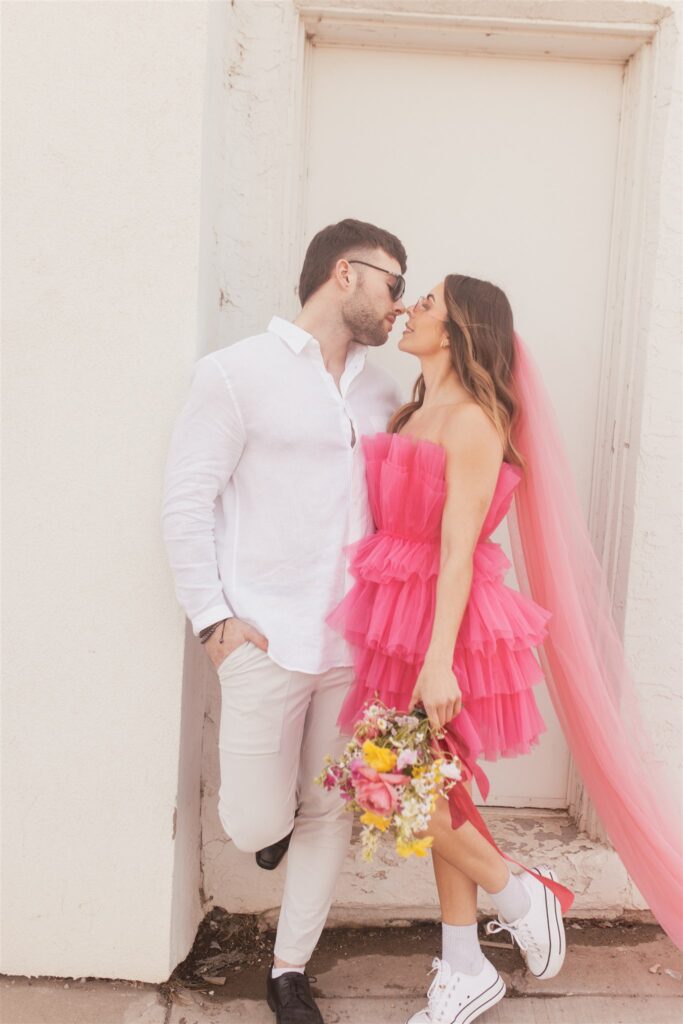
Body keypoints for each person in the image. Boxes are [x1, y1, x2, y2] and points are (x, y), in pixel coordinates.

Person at [327, 274, 683, 1024]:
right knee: (431, 789)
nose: (410, 309)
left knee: (396, 787)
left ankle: (522, 894)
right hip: (393, 609)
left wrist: (437, 658)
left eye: (425, 303)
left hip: (443, 623)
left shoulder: (474, 421)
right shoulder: (414, 409)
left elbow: (457, 549)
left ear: (458, 332)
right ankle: (466, 964)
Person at [162, 218, 407, 1024]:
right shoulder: (235, 374)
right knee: (253, 820)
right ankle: (267, 830)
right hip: (263, 638)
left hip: (351, 642)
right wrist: (213, 623)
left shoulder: (381, 391)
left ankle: (288, 971)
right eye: (392, 284)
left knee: (328, 809)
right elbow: (187, 501)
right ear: (345, 273)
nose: (399, 306)